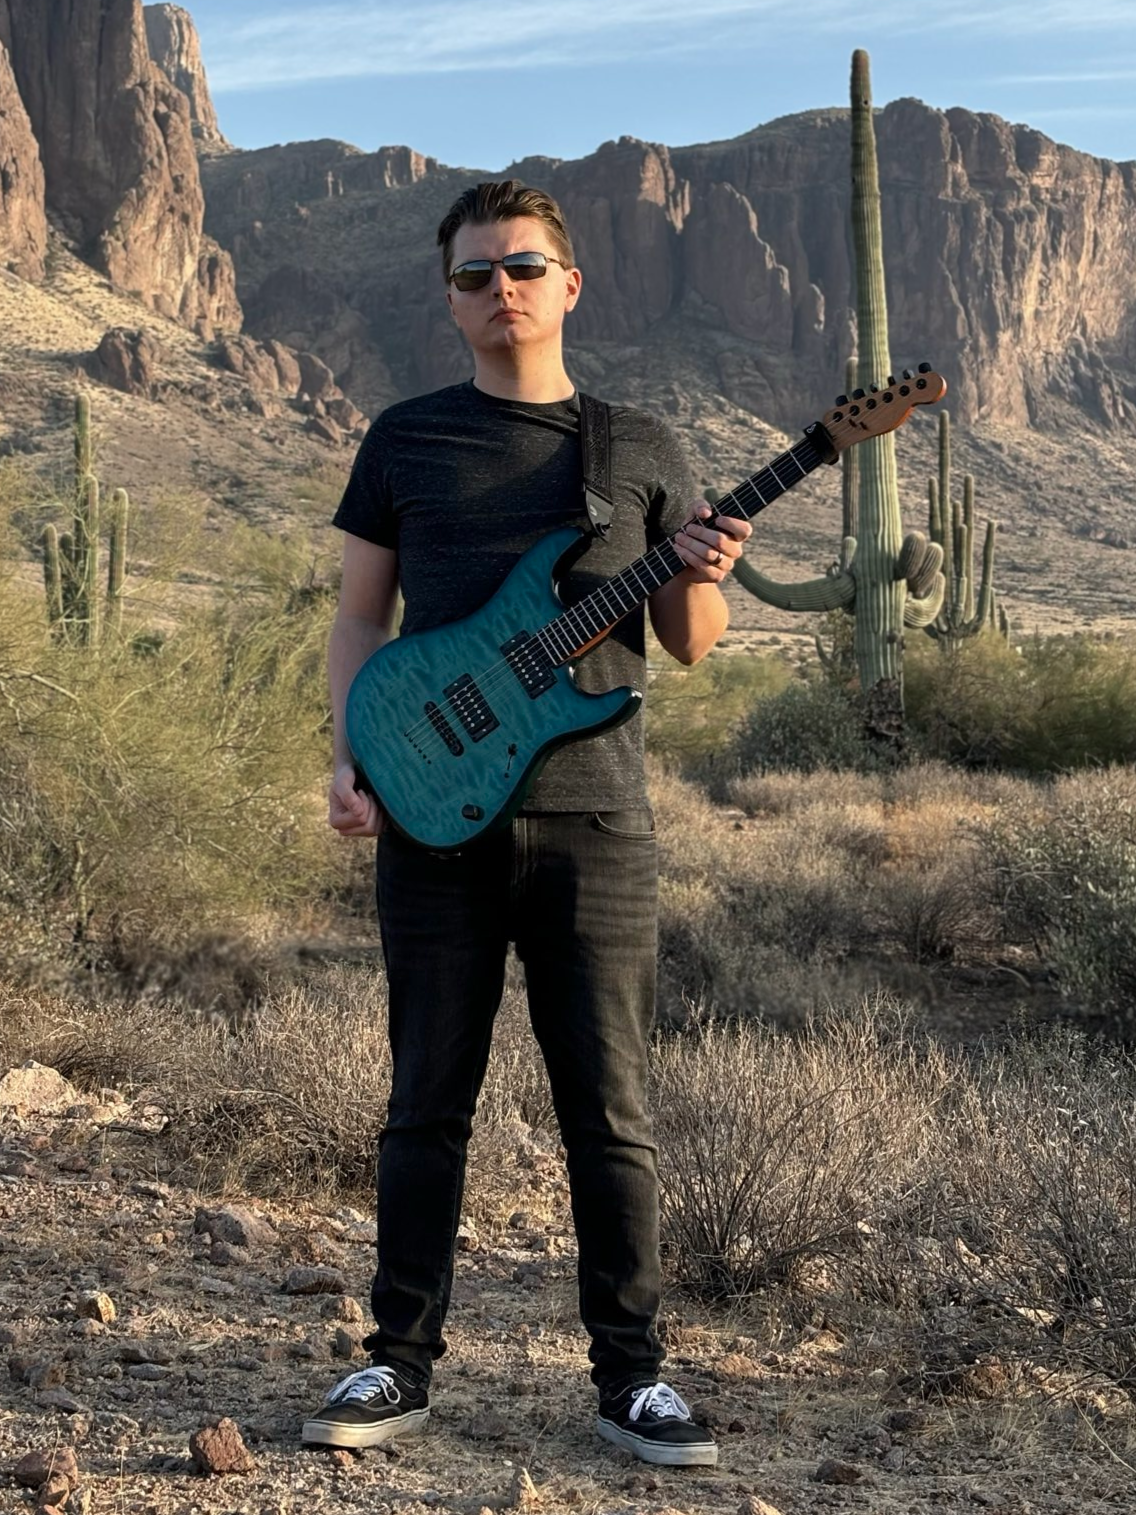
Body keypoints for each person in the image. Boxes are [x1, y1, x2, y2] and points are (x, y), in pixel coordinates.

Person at [302, 179, 751, 1469]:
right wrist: (351, 753)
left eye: (522, 267)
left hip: (598, 820)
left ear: (569, 284)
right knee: (422, 1100)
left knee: (609, 1108)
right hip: (433, 815)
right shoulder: (405, 439)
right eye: (473, 274)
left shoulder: (640, 450)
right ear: (449, 298)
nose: (500, 290)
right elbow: (357, 619)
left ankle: (632, 1379)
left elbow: (690, 645)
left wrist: (707, 579)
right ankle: (397, 1362)